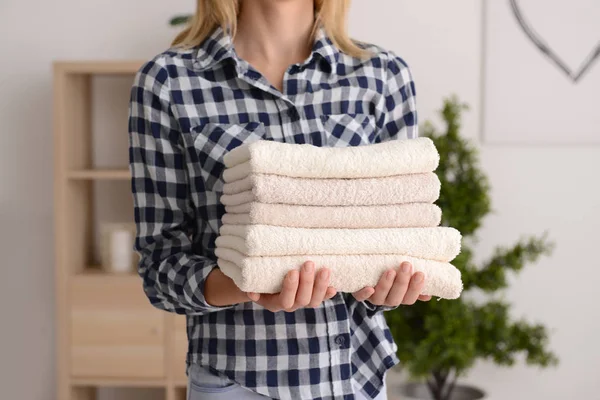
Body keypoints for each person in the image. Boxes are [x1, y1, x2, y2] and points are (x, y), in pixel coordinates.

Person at [128, 0, 430, 399]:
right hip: (237, 383)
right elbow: (160, 263)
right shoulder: (169, 81)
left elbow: (398, 231)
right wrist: (248, 282)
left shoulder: (382, 76)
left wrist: (390, 284)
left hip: (355, 377)